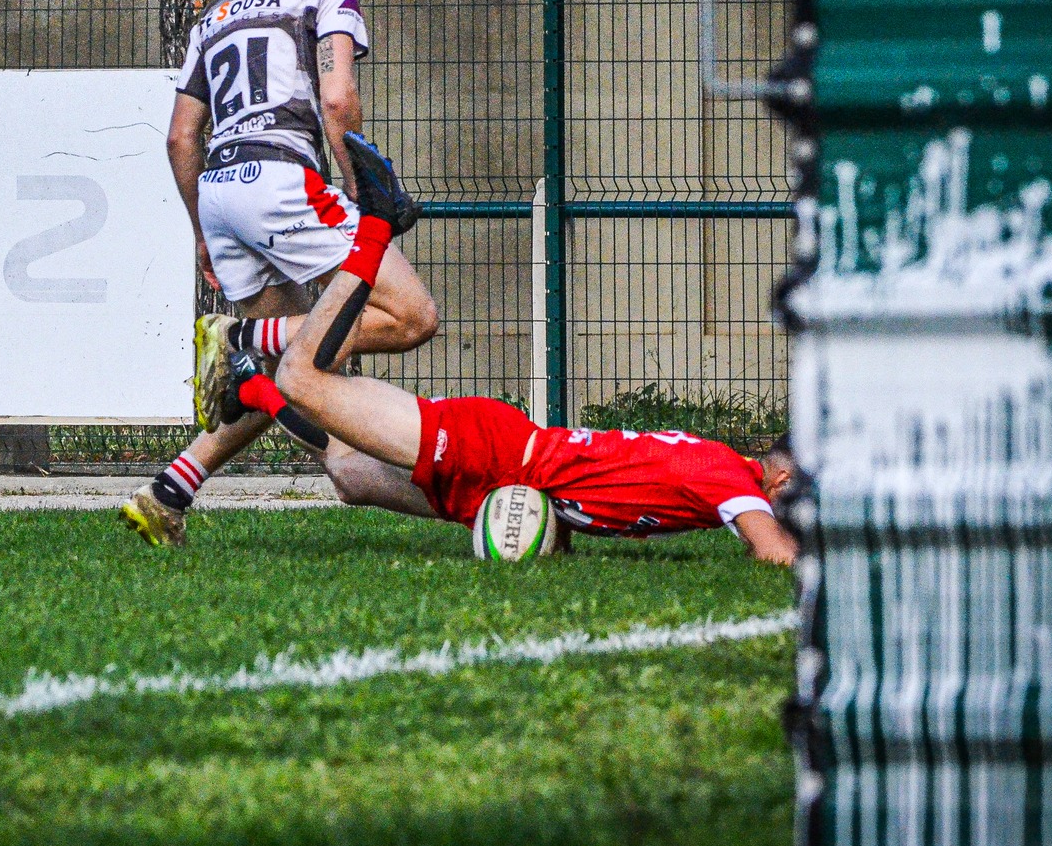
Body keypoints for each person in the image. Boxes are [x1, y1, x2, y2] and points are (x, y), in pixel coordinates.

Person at [216, 132, 800, 566]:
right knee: (305, 378)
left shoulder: (720, 471)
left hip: (508, 477)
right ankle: (374, 226)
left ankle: (250, 387)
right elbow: (773, 553)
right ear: (778, 480)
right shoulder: (729, 476)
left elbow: (608, 483)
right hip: (490, 450)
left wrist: (556, 531)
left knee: (351, 476)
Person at [122, 0, 439, 548]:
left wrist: (204, 234)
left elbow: (182, 138)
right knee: (410, 315)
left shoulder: (216, 12)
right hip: (285, 181)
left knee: (294, 379)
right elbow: (336, 96)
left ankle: (169, 492)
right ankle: (243, 339)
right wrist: (361, 189)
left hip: (219, 191)